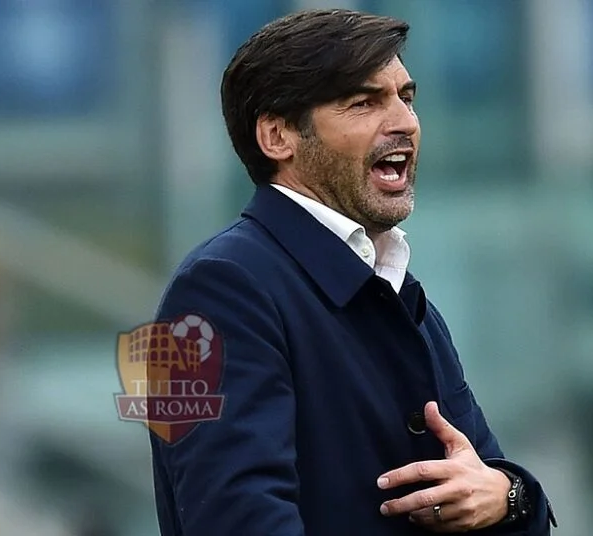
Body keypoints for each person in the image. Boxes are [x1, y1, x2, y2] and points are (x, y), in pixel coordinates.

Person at [149, 9, 557, 536]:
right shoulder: (218, 290)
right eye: (364, 103)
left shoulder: (401, 297)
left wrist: (509, 494)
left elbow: (482, 476)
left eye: (406, 98)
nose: (404, 122)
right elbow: (236, 519)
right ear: (277, 136)